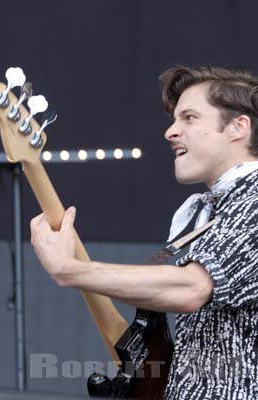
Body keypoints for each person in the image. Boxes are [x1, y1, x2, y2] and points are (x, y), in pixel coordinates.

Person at [30, 66, 258, 399]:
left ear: (238, 127)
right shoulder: (204, 213)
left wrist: (70, 269)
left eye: (189, 118)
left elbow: (191, 289)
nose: (170, 132)